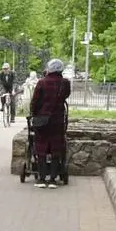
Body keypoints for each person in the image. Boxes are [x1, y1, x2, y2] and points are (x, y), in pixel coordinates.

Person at [29, 58, 71, 188]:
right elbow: (66, 96)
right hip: (57, 120)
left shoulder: (42, 82)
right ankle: (53, 179)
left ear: (49, 68)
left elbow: (35, 101)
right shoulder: (65, 83)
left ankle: (41, 178)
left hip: (42, 120)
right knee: (56, 148)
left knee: (41, 148)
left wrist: (34, 114)